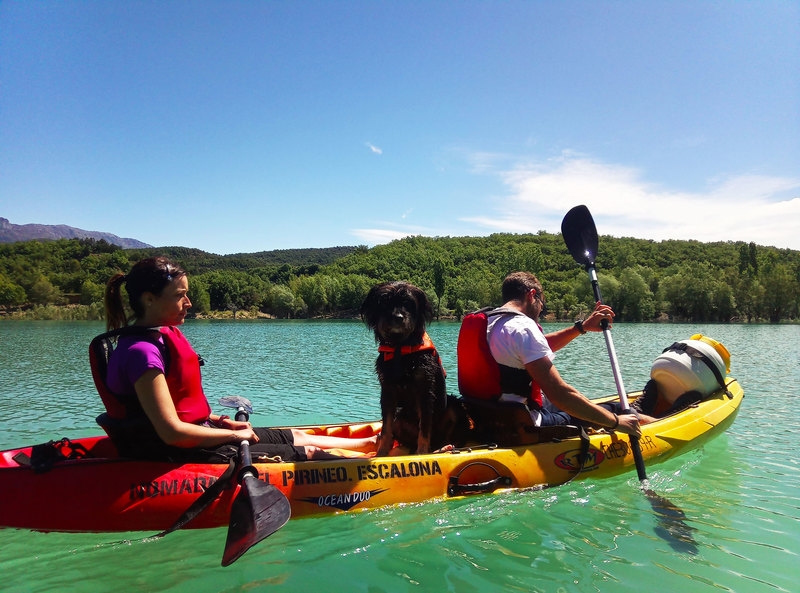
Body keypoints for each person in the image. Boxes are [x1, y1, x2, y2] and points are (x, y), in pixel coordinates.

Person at [98, 256, 377, 462]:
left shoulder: (158, 339)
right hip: (183, 451)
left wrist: (221, 421)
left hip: (201, 433)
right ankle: (385, 464)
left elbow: (181, 407)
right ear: (148, 299)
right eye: (180, 295)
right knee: (310, 452)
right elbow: (172, 432)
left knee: (297, 436)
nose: (189, 303)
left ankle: (372, 443)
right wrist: (233, 436)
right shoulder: (141, 353)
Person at [467, 271, 650, 435]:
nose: (540, 311)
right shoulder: (522, 328)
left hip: (485, 415)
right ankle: (658, 427)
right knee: (618, 410)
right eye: (541, 304)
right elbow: (560, 394)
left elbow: (532, 349)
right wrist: (616, 422)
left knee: (592, 406)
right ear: (532, 295)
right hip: (522, 423)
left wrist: (581, 328)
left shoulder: (490, 323)